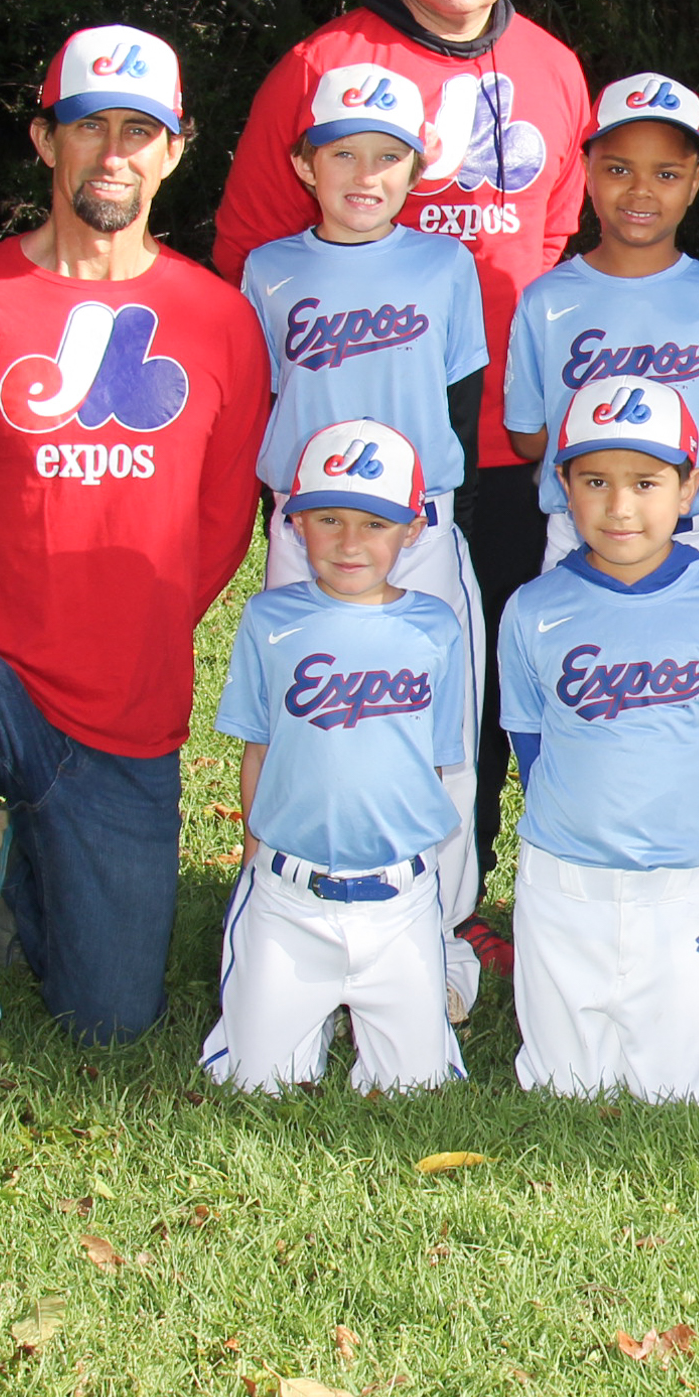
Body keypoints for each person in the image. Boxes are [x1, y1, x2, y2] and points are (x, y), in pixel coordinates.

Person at [0, 26, 268, 1118]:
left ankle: (21, 871)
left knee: (111, 1016)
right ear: (48, 140)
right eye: (90, 127)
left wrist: (134, 621)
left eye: (140, 131)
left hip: (124, 695)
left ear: (174, 150)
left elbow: (222, 519)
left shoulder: (220, 320)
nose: (113, 153)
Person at [209, 0, 593, 912]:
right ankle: (309, 887)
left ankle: (455, 906)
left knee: (478, 681)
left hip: (504, 441)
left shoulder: (556, 70)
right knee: (335, 678)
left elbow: (553, 240)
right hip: (341, 467)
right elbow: (249, 257)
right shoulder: (319, 65)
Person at [235, 64, 489, 1018]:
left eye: (389, 157)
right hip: (306, 530)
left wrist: (434, 508)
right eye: (344, 153)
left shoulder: (442, 267)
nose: (366, 175)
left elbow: (458, 404)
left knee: (438, 737)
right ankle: (281, 910)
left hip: (417, 531)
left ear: (416, 169)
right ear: (306, 163)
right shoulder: (271, 270)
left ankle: (438, 934)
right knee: (299, 721)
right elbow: (262, 398)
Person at [495, 378, 699, 1104]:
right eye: (596, 481)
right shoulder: (532, 609)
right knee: (564, 1085)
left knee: (680, 1087)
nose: (620, 506)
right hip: (563, 877)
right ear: (563, 487)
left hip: (682, 873)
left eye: (646, 482)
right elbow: (530, 742)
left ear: (689, 489)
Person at [201, 422, 468, 1094]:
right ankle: (302, 1010)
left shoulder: (435, 627)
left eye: (375, 523)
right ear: (294, 523)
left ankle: (371, 1004)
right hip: (291, 891)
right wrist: (254, 856)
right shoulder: (269, 620)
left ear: (413, 530)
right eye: (329, 519)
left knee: (416, 1087)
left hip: (399, 895)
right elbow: (258, 748)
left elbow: (433, 764)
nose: (351, 543)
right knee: (256, 1084)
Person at [503, 72, 699, 576]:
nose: (641, 190)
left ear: (696, 180)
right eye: (619, 169)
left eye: (666, 174)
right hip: (579, 534)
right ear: (586, 170)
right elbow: (528, 438)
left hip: (695, 535)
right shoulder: (547, 300)